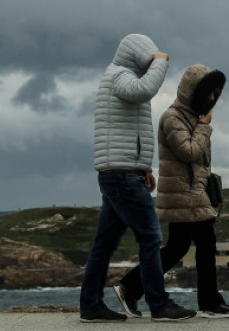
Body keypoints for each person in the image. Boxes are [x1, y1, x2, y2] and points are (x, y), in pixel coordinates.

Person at [79, 34, 196, 323]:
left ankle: (90, 306)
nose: (150, 65)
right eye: (148, 60)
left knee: (104, 244)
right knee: (151, 237)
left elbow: (130, 126)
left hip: (122, 173)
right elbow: (144, 91)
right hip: (121, 175)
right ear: (138, 57)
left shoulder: (120, 77)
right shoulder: (120, 76)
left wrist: (144, 168)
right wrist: (160, 62)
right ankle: (160, 304)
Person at [114, 64, 229, 319]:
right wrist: (205, 127)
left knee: (177, 248)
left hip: (190, 193)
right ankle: (209, 302)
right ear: (193, 91)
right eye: (209, 93)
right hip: (185, 194)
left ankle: (130, 286)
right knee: (205, 243)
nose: (213, 99)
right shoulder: (173, 117)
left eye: (216, 94)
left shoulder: (191, 117)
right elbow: (189, 151)